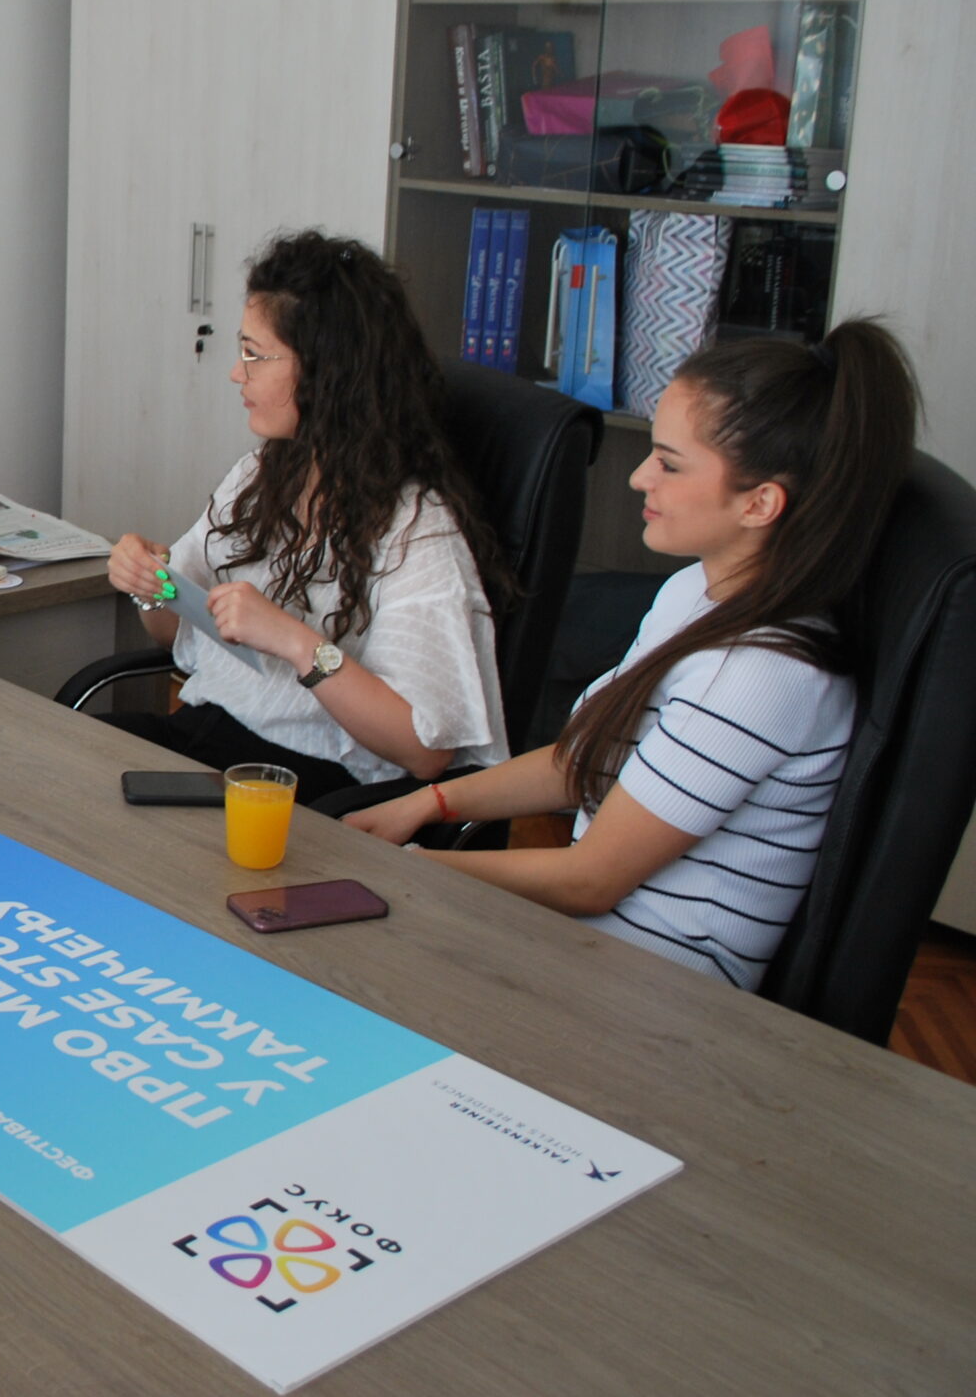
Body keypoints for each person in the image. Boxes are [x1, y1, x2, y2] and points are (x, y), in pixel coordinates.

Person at [345, 322, 921, 989]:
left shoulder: (760, 675)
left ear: (760, 503)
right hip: (592, 948)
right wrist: (429, 804)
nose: (640, 477)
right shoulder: (695, 592)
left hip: (655, 993)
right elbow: (586, 761)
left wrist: (414, 870)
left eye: (670, 464)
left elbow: (590, 881)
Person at [104, 232, 512, 806]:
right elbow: (177, 634)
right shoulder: (261, 474)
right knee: (58, 763)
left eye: (255, 354)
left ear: (327, 372)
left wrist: (295, 642)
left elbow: (425, 751)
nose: (236, 373)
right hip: (207, 739)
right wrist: (152, 586)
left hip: (306, 786)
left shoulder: (415, 528)